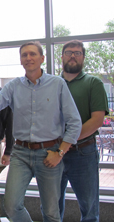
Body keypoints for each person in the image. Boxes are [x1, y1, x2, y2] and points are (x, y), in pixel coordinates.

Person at [0, 41, 82, 222]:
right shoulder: (14, 86)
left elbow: (74, 122)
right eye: (24, 55)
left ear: (42, 58)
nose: (28, 58)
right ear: (20, 60)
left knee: (51, 212)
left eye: (33, 54)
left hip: (49, 153)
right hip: (21, 154)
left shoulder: (57, 84)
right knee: (11, 206)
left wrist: (60, 152)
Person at [59, 40, 108, 222]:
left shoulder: (93, 83)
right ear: (62, 56)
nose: (73, 56)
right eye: (69, 52)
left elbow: (97, 120)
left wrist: (66, 142)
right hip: (54, 154)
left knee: (89, 208)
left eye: (77, 53)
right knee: (51, 207)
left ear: (83, 58)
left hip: (83, 153)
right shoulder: (52, 83)